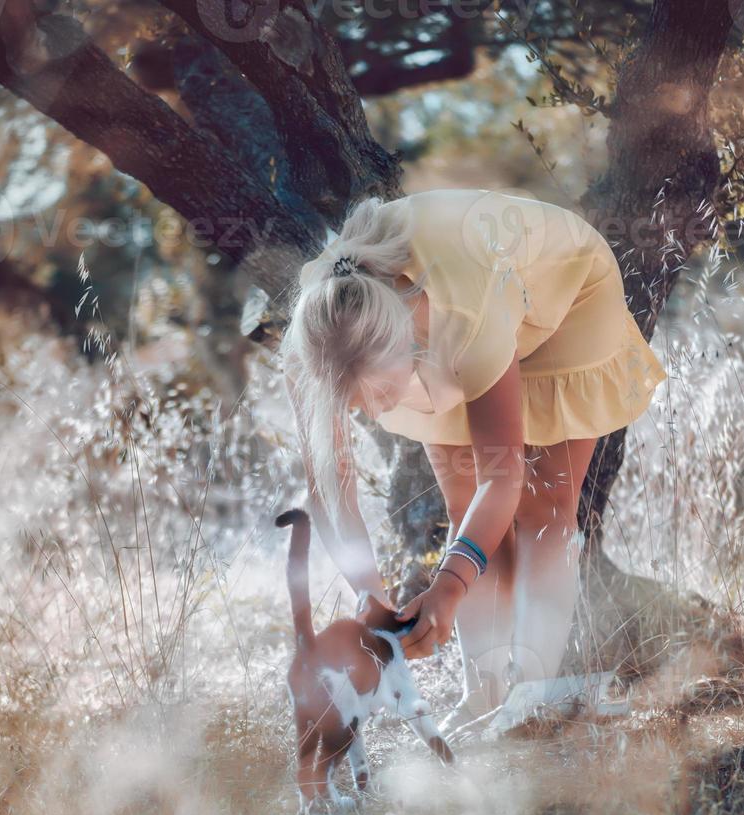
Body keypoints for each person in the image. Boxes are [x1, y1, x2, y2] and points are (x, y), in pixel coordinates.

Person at [280, 188, 667, 733]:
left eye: (382, 395)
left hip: (563, 294)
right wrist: (367, 593)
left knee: (543, 507)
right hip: (461, 304)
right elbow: (329, 488)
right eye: (356, 403)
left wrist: (450, 585)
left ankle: (531, 700)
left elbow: (503, 476)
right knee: (466, 505)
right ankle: (483, 695)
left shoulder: (460, 314)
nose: (371, 413)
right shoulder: (315, 345)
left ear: (412, 347)